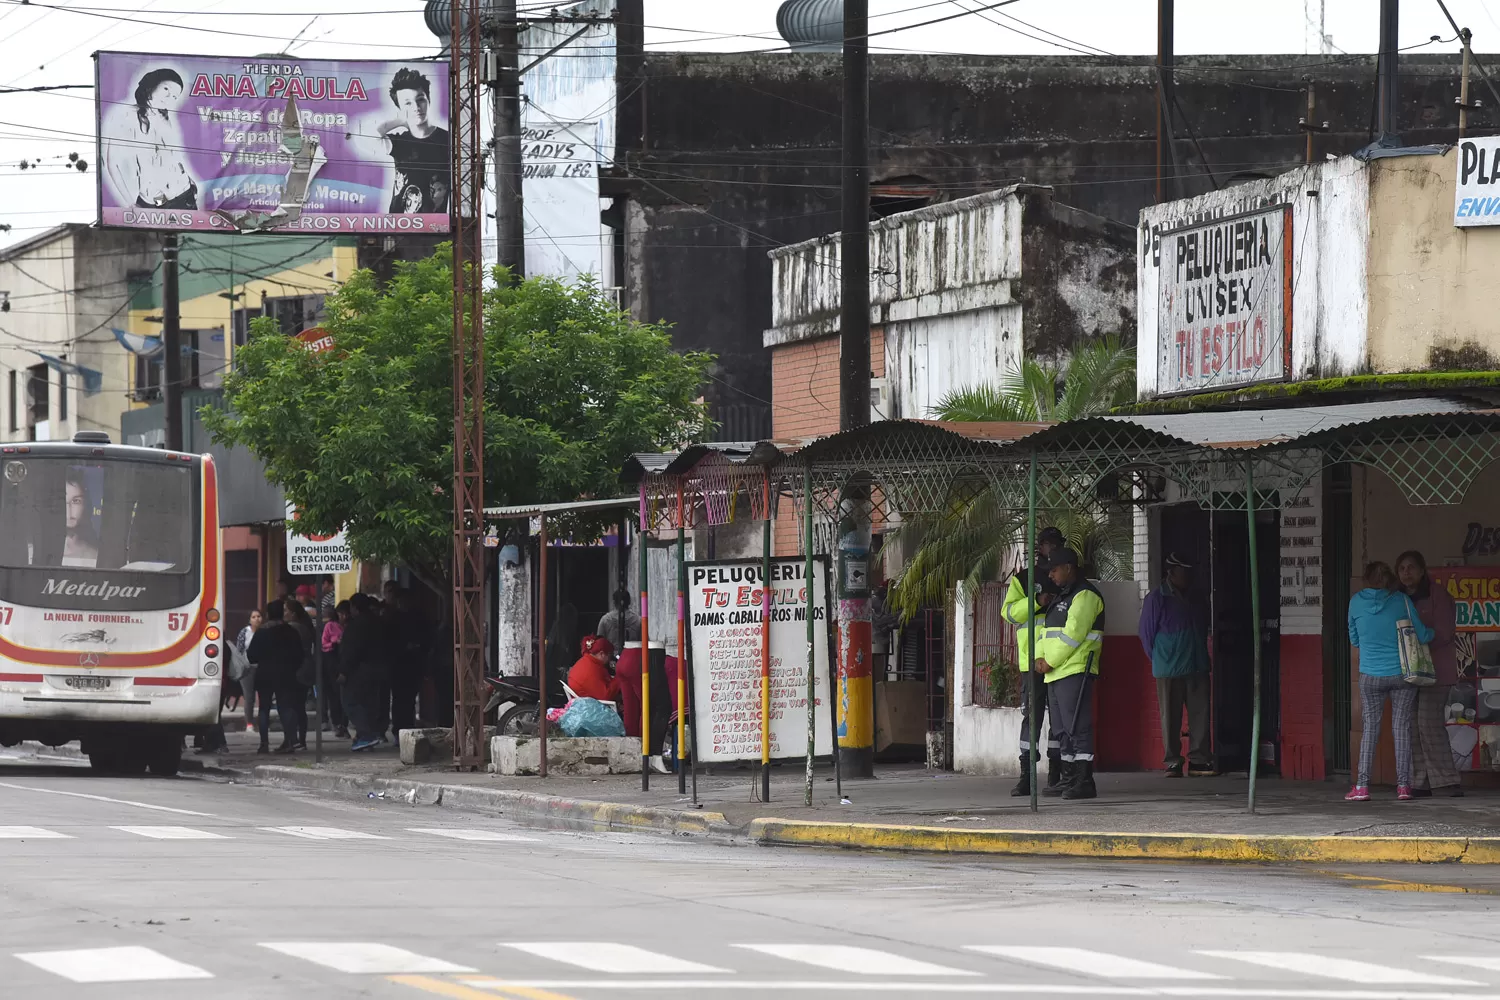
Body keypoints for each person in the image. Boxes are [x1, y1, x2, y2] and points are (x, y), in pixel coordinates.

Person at [1347, 561, 1434, 802]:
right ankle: (1404, 787)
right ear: (1389, 579)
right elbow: (1422, 633)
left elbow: (1354, 639)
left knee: (1370, 730)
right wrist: (1436, 634)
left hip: (1370, 675)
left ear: (1366, 579)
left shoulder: (1355, 602)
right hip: (1401, 675)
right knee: (1401, 728)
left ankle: (1362, 787)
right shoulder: (1402, 601)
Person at [1035, 547, 1105, 800]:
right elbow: (1045, 632)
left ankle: (1084, 780)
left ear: (1068, 567)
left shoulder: (1085, 595)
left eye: (1054, 570)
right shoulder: (1061, 596)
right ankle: (1067, 778)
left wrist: (1049, 660)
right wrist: (1039, 658)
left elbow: (1073, 634)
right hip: (1054, 672)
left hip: (1075, 669)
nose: (1050, 575)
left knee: (1077, 726)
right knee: (1062, 730)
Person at [1139, 552, 1216, 778]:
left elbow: (1202, 628)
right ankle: (1172, 761)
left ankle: (1199, 761)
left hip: (1197, 663)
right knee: (1170, 717)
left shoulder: (1197, 596)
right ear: (1171, 573)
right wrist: (1160, 660)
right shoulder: (1156, 598)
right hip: (1168, 667)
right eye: (1184, 571)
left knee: (1200, 714)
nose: (1188, 576)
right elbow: (1146, 634)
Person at [1396, 551, 1461, 798]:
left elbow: (1444, 632)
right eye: (1402, 568)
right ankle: (1420, 781)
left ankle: (1446, 781)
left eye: (1411, 567)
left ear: (1422, 570)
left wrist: (1415, 641)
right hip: (1407, 671)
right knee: (1411, 725)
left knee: (1428, 723)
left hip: (1436, 670)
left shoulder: (1438, 595)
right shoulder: (1398, 599)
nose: (1406, 572)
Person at [104, 67, 196, 210]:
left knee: (188, 233)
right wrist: (130, 203)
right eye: (166, 89)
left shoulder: (165, 117)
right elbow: (112, 163)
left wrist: (190, 180)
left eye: (174, 96)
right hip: (154, 201)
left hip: (185, 192)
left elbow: (172, 156)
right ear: (152, 85)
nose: (169, 97)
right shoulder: (125, 115)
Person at [363, 67, 450, 214]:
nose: (416, 107)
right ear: (400, 107)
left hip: (433, 224)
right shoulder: (400, 142)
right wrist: (400, 120)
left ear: (428, 100)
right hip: (398, 223)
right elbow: (367, 135)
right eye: (408, 103)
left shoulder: (446, 139)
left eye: (420, 99)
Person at [1003, 569, 1059, 796]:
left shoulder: (1065, 578)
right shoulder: (1023, 578)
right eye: (1048, 545)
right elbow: (1009, 613)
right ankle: (1027, 775)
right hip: (1032, 660)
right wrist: (1035, 601)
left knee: (1059, 719)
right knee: (1031, 718)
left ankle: (1057, 774)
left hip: (1058, 659)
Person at [247, 600, 305, 755]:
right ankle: (290, 741)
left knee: (264, 708)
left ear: (267, 614)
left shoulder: (262, 632)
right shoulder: (291, 631)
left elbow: (251, 655)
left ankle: (264, 744)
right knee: (286, 707)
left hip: (265, 674)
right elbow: (300, 654)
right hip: (286, 674)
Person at [339, 593, 389, 751]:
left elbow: (352, 651)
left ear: (354, 607)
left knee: (351, 702)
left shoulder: (357, 625)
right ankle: (368, 736)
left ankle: (366, 734)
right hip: (378, 668)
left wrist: (343, 671)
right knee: (369, 703)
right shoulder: (378, 622)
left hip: (360, 670)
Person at [390, 588, 429, 741]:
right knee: (400, 700)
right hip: (399, 665)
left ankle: (407, 727)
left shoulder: (418, 618)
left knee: (409, 699)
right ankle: (398, 729)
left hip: (413, 665)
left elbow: (427, 640)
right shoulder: (394, 619)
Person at [283, 600, 315, 751]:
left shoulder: (292, 628)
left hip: (295, 670)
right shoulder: (305, 627)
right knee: (300, 707)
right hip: (306, 670)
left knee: (291, 706)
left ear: (293, 614)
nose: (284, 614)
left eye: (286, 611)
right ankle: (301, 740)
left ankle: (292, 740)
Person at [322, 600, 350, 739]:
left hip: (346, 663)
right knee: (334, 696)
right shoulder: (330, 626)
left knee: (344, 696)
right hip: (332, 662)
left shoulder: (350, 626)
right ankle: (338, 724)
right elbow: (324, 643)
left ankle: (344, 724)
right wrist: (334, 642)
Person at [62, 470, 100, 568]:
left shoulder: (95, 555)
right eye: (62, 500)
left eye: (76, 501)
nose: (69, 509)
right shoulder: (34, 553)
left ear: (86, 505)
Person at [567, 635, 619, 703]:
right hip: (590, 707)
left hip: (583, 701)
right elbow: (605, 696)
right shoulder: (591, 669)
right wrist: (619, 677)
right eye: (609, 656)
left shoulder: (586, 661)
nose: (609, 660)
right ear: (602, 654)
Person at [236, 609, 263, 733]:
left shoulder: (264, 632)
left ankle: (263, 722)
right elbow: (239, 650)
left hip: (262, 667)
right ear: (249, 620)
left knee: (264, 696)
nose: (257, 619)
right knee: (249, 697)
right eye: (254, 617)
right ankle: (249, 723)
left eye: (259, 616)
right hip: (247, 668)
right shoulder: (244, 632)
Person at [595, 588, 641, 654]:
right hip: (633, 659)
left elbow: (599, 645)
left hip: (611, 660)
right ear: (629, 602)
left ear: (614, 602)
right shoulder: (638, 620)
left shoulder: (605, 620)